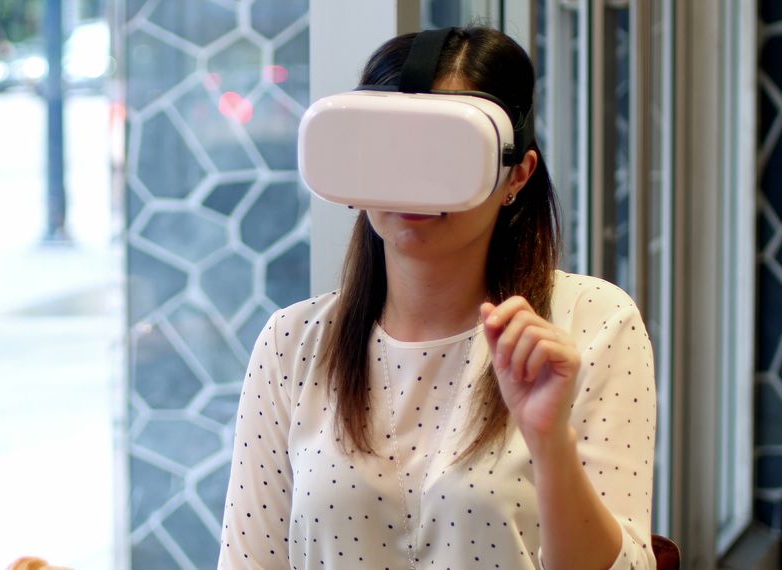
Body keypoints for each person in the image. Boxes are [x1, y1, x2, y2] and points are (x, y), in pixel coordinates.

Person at [218, 26, 656, 569]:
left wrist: (550, 444)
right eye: (389, 152)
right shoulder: (293, 343)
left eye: (445, 152)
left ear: (518, 172)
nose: (413, 183)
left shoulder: (592, 325)